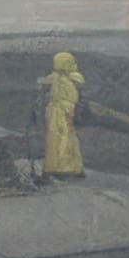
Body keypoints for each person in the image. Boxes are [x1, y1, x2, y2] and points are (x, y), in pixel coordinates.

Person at [41, 50, 85, 178]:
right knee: (60, 139)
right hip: (59, 112)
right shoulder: (57, 77)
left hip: (63, 112)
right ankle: (61, 168)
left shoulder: (71, 77)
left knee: (63, 139)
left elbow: (78, 87)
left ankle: (65, 167)